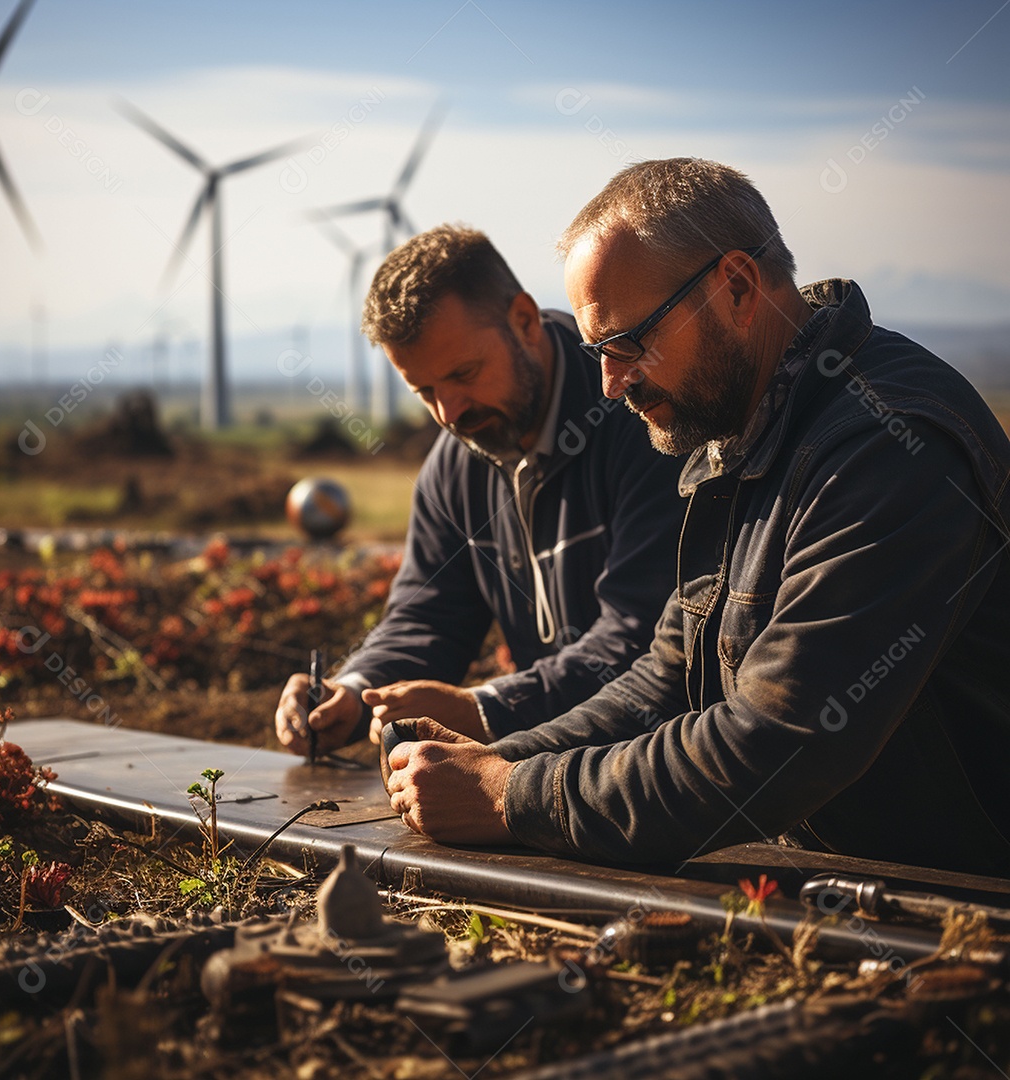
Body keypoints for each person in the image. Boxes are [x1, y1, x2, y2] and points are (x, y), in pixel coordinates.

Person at [384, 159, 1010, 877]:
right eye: (597, 353)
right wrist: (494, 761)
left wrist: (510, 796)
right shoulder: (736, 437)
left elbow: (780, 740)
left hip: (971, 903)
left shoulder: (886, 445)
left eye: (629, 343)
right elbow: (664, 682)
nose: (611, 384)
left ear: (738, 288)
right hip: (854, 883)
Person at [275, 224, 686, 755]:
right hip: (546, 767)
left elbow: (644, 639)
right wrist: (356, 693)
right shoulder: (451, 469)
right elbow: (428, 617)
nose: (450, 413)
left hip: (670, 767)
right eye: (424, 392)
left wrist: (486, 710)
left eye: (464, 373)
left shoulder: (642, 419)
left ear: (523, 320)